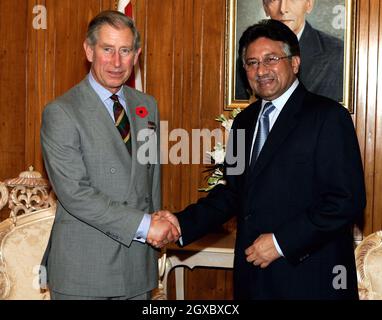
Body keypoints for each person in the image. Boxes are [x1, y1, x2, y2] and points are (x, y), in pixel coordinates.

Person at [157, 19, 366, 299]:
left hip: (310, 279)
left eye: (271, 59)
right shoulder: (244, 121)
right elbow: (232, 192)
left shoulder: (327, 116)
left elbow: (346, 200)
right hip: (254, 278)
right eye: (252, 63)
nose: (261, 70)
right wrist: (182, 223)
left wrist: (281, 243)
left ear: (294, 63)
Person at [40, 10, 179, 300]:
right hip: (84, 271)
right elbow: (75, 194)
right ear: (89, 51)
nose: (117, 62)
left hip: (137, 267)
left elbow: (150, 177)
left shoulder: (147, 106)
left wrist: (157, 218)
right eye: (107, 49)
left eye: (125, 50)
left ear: (136, 54)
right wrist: (146, 226)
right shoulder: (62, 112)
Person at [236, 0, 344, 102]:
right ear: (265, 7)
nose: (283, 9)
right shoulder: (246, 60)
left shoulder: (337, 53)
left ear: (309, 4)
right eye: (274, 0)